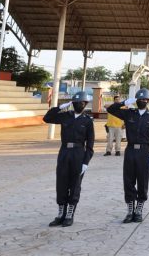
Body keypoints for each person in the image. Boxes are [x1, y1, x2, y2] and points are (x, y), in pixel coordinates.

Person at [107, 88, 149, 223]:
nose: (143, 101)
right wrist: (124, 102)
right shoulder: (129, 113)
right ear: (136, 101)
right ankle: (130, 210)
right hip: (130, 150)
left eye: (145, 99)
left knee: (142, 181)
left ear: (148, 101)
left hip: (144, 151)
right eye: (140, 99)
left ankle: (139, 210)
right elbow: (111, 110)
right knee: (129, 180)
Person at [43, 91, 95, 227]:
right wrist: (59, 107)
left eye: (83, 103)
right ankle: (61, 213)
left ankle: (70, 214)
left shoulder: (87, 121)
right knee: (61, 183)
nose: (80, 105)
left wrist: (85, 162)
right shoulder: (65, 116)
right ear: (73, 104)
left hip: (79, 153)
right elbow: (47, 118)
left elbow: (90, 144)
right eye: (77, 103)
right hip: (65, 151)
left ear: (86, 104)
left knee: (75, 184)